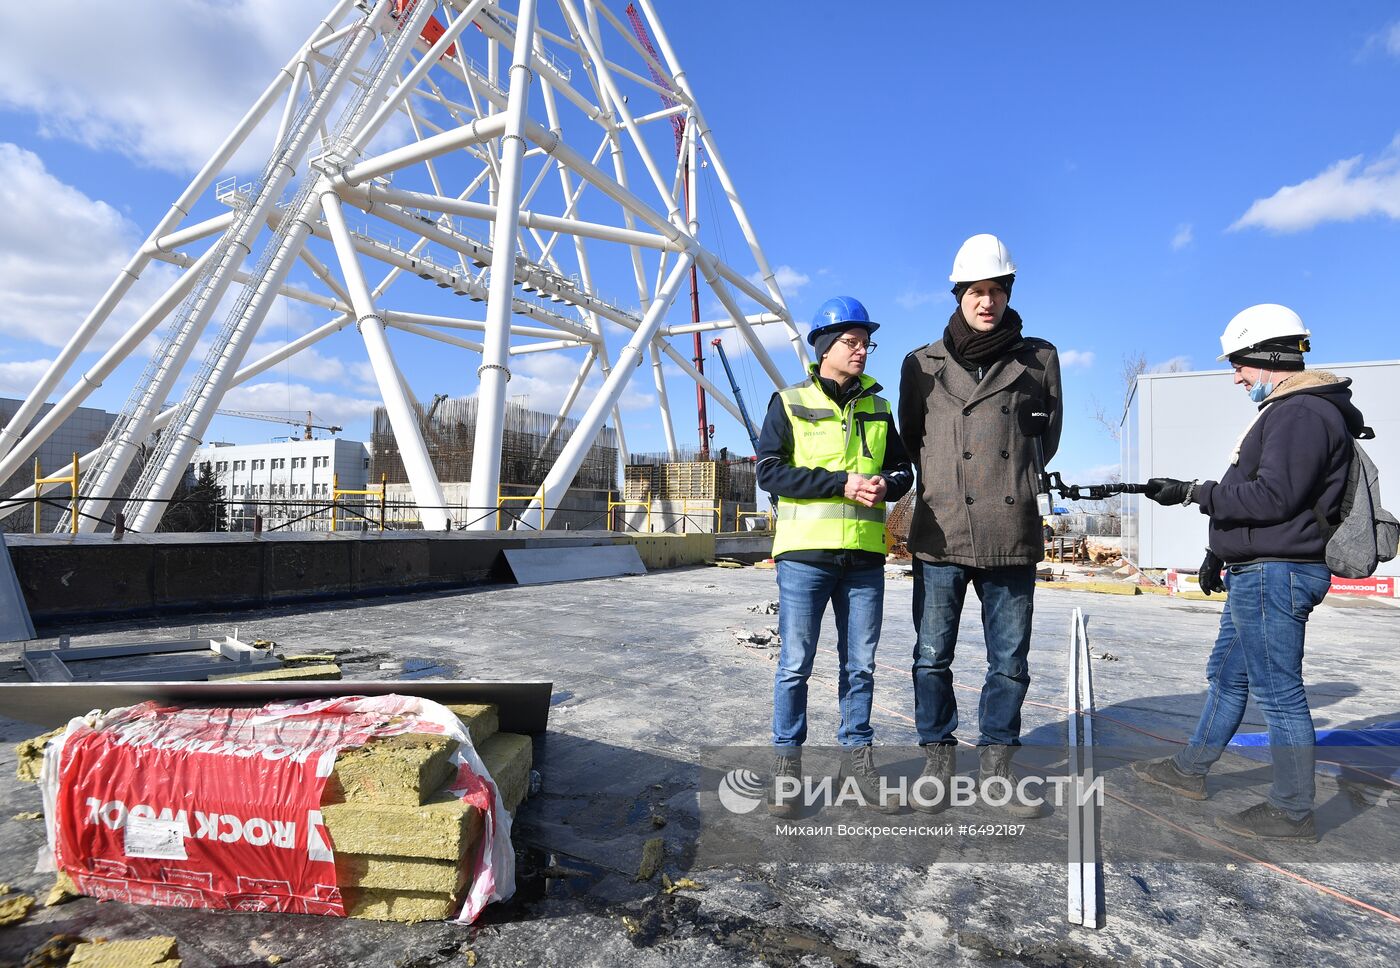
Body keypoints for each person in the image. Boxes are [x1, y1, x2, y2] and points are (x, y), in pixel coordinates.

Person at [1132, 304, 1363, 843]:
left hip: (1275, 575)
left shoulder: (1301, 414)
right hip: (1257, 569)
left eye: (1239, 363)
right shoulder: (1291, 411)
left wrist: (1195, 493)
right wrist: (1223, 551)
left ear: (1266, 357)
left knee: (1278, 691)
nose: (1235, 375)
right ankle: (1190, 770)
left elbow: (1274, 496)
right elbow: (1278, 501)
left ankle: (1292, 809)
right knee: (1229, 675)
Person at [897, 234, 1062, 817]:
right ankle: (936, 762)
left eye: (995, 291)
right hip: (941, 529)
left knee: (1009, 660)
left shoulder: (1039, 359)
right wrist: (942, 483)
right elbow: (912, 439)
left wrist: (1012, 478)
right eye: (975, 291)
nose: (985, 302)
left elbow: (1047, 437)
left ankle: (997, 766)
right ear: (958, 294)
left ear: (1007, 292)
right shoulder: (919, 364)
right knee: (930, 656)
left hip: (1010, 526)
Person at [757, 296, 915, 817]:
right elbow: (770, 473)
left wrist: (885, 484)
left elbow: (902, 471)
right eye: (851, 343)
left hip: (865, 556)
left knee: (862, 665)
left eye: (866, 343)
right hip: (805, 554)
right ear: (824, 347)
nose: (861, 351)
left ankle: (858, 764)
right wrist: (840, 484)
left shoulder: (878, 406)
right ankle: (786, 770)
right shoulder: (789, 400)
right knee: (796, 664)